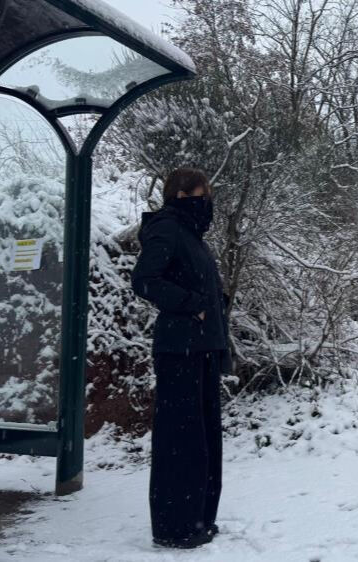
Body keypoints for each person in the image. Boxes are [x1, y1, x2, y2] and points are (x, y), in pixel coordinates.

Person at [131, 168, 231, 548]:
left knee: (202, 438)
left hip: (202, 347)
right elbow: (144, 279)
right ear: (183, 195)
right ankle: (174, 526)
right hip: (179, 350)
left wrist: (215, 308)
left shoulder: (191, 235)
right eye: (203, 194)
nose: (208, 202)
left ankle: (197, 518)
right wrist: (195, 307)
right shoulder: (167, 228)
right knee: (181, 439)